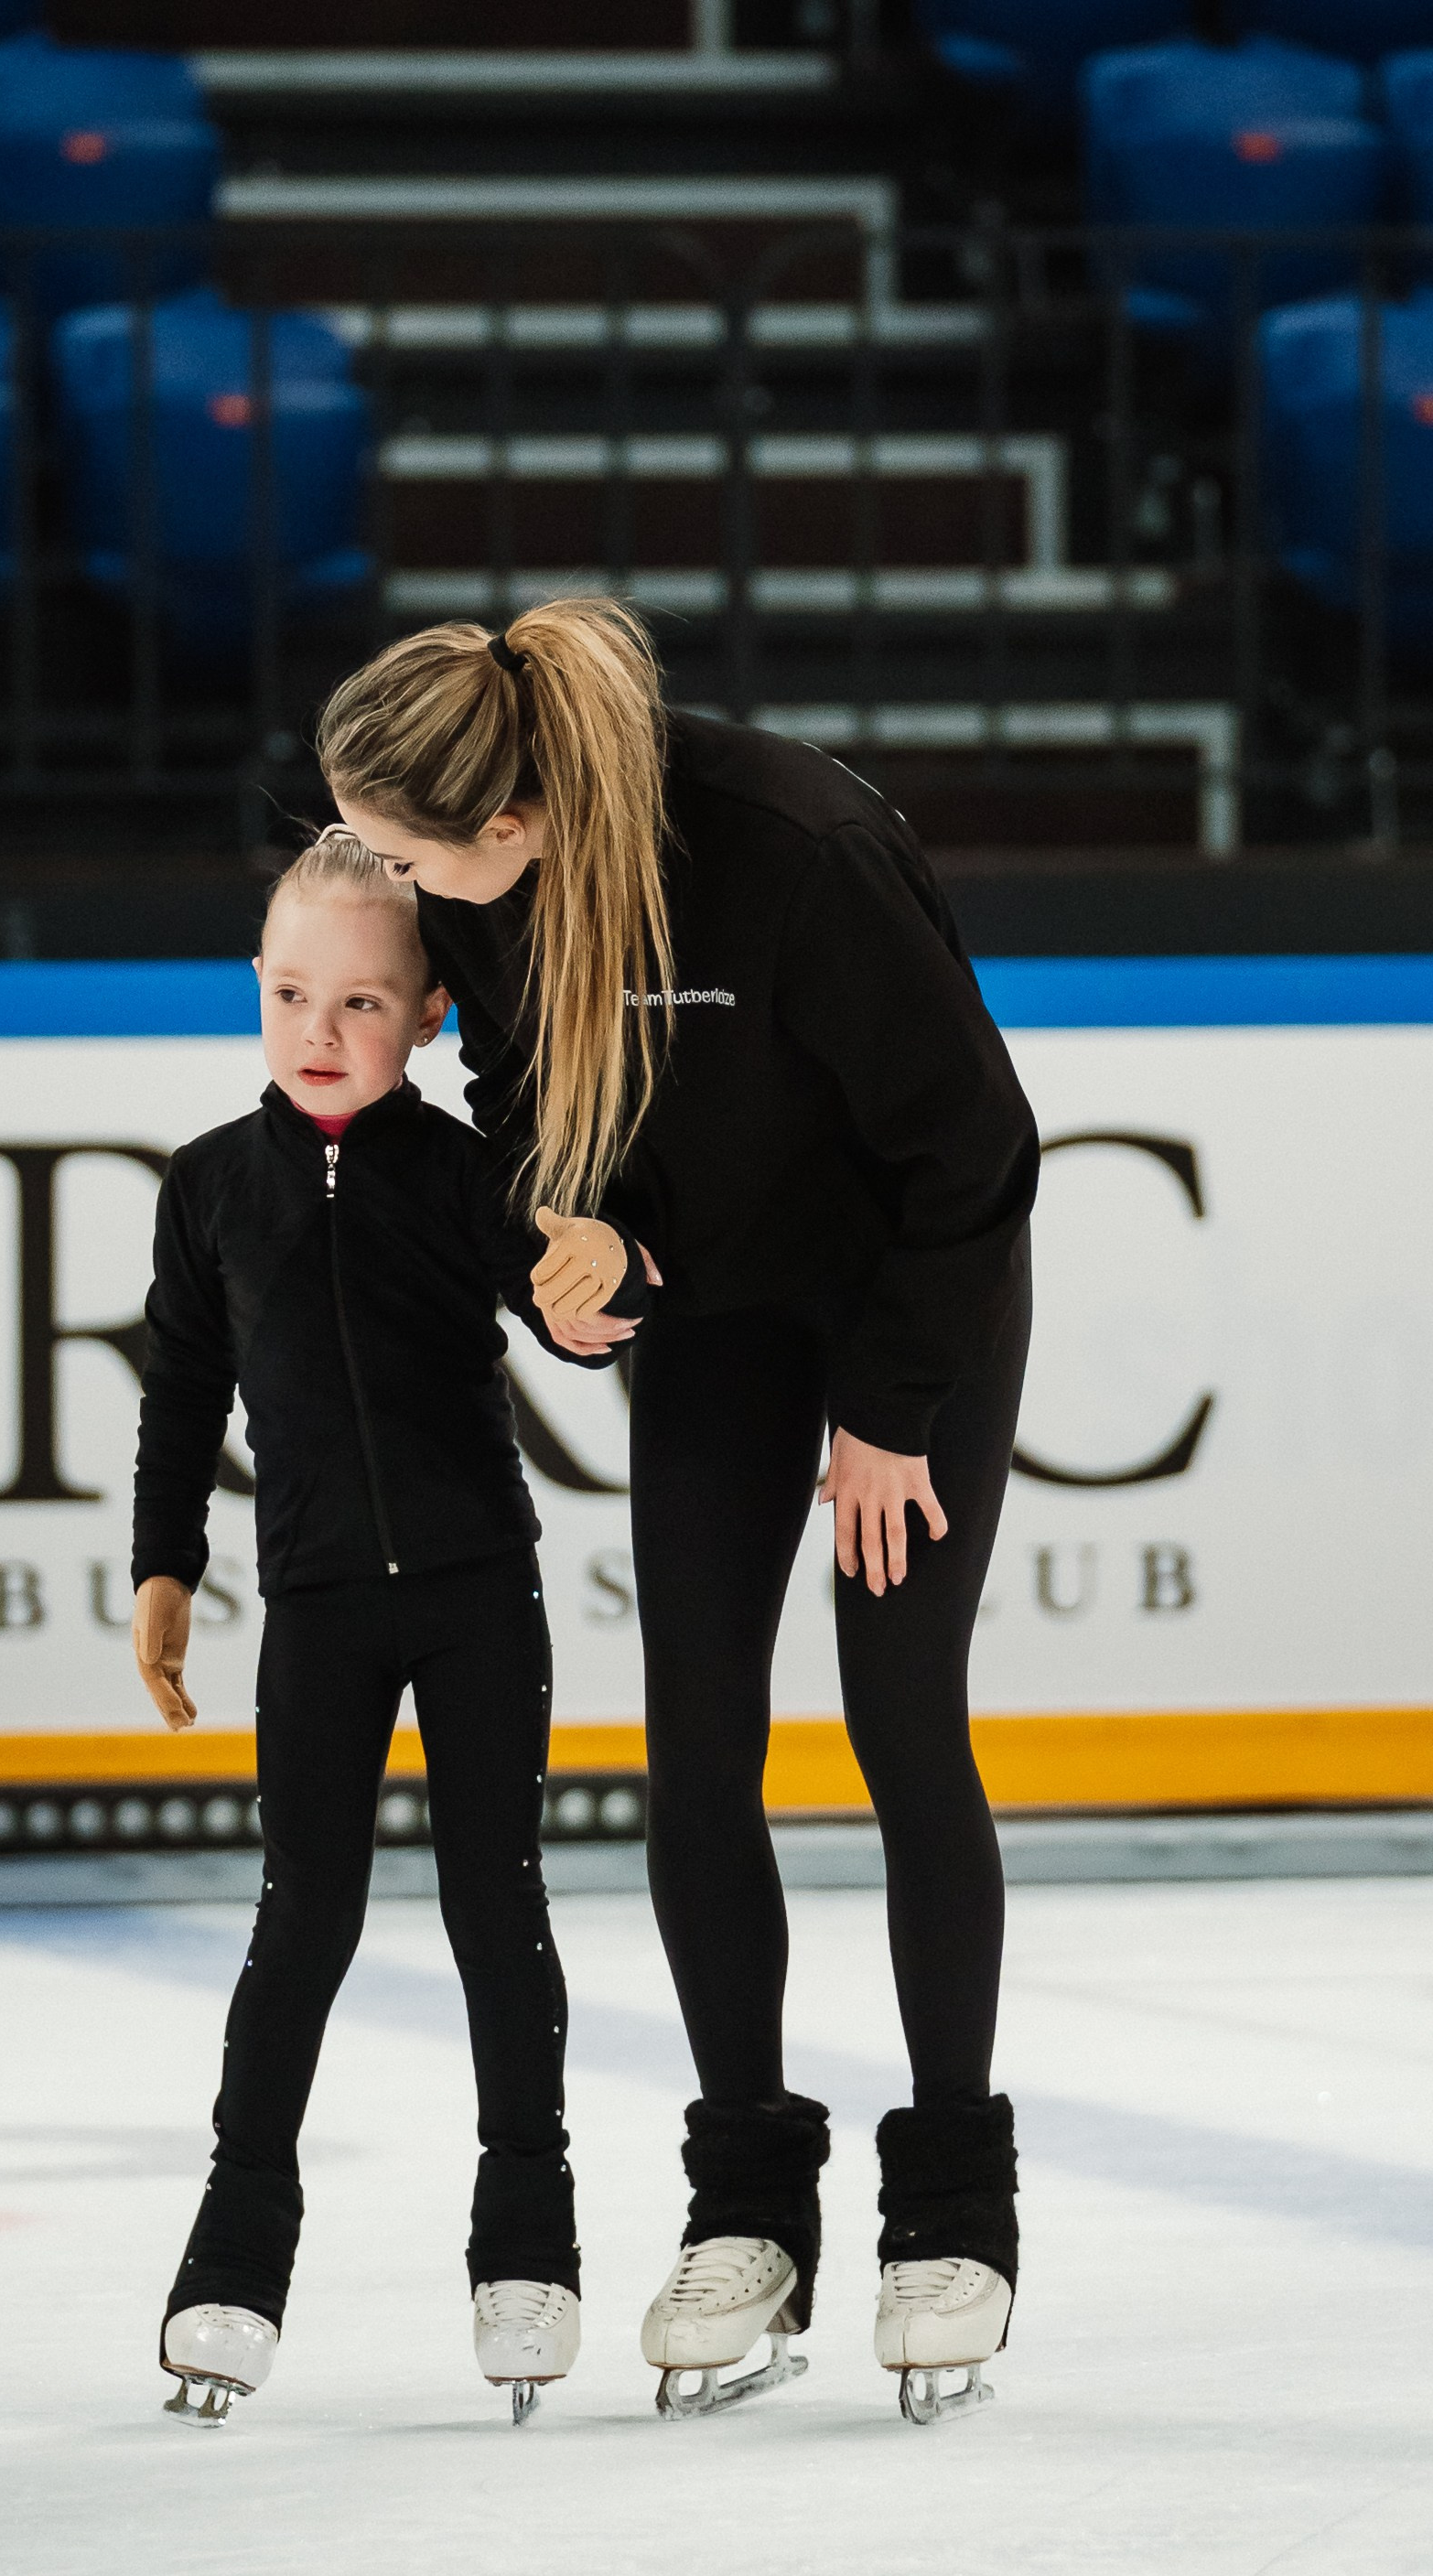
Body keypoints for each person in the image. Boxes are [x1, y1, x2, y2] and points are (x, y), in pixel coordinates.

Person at [319, 602, 1040, 2423]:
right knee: (696, 1750)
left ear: (513, 820)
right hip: (711, 1318)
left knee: (899, 1721)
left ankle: (950, 2210)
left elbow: (970, 1151)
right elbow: (525, 1115)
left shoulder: (797, 847)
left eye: (402, 855)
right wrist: (574, 1258)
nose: (380, 884)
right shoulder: (485, 897)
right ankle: (748, 2209)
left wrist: (892, 1415)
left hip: (905, 1306)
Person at [129, 827, 652, 2427]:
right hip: (320, 1611)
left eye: (362, 1001)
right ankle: (230, 2272)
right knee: (305, 1925)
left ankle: (528, 2257)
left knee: (497, 1911)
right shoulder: (212, 1183)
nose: (321, 1030)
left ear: (428, 1014)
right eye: (292, 993)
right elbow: (182, 1394)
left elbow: (583, 1318)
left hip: (481, 1591)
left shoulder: (466, 1169)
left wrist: (601, 1275)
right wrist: (164, 1567)